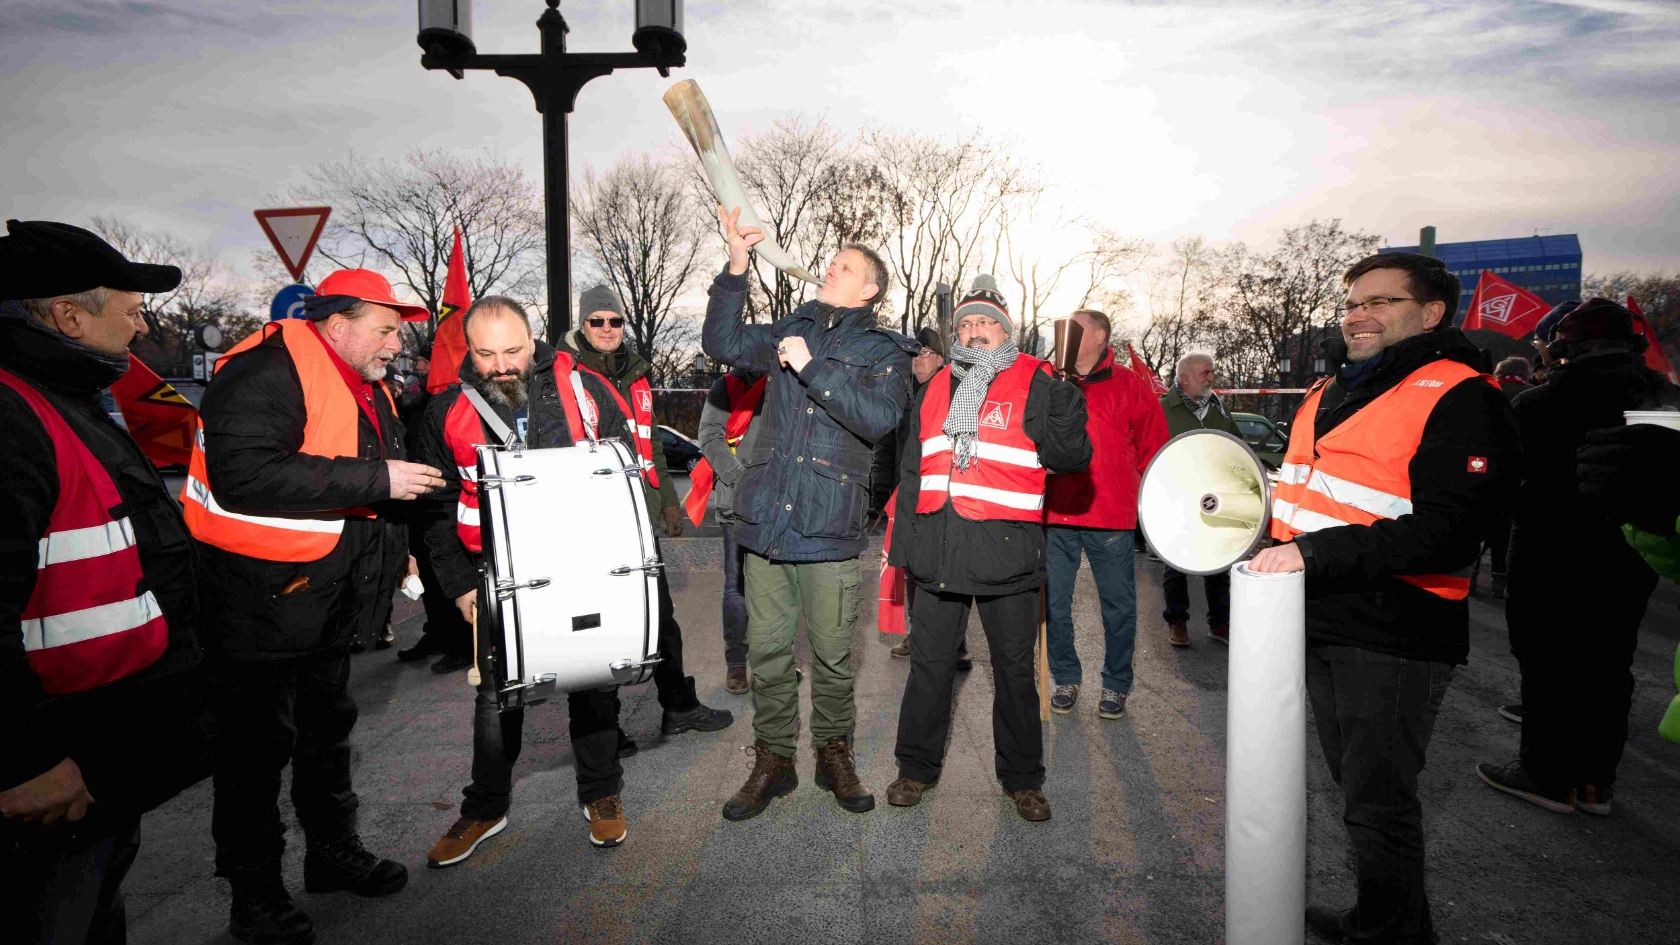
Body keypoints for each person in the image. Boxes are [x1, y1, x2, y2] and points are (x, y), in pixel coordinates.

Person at [1248, 251, 1521, 944]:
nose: (1357, 315)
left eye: (1379, 301)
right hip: (1317, 618)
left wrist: (1312, 554)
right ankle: (1384, 917)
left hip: (1395, 632)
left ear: (1430, 312)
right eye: (1352, 302)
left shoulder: (1461, 394)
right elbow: (1300, 498)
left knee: (1378, 803)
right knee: (1357, 790)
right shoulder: (1328, 391)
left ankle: (1393, 932)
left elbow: (1451, 530)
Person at [414, 297, 720, 860]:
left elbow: (626, 478)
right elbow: (432, 513)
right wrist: (459, 588)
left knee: (592, 682)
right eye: (486, 354)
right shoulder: (445, 412)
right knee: (495, 697)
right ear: (470, 352)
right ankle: (485, 807)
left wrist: (628, 566)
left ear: (532, 341)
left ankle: (601, 793)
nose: (501, 364)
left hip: (582, 564)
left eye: (512, 350)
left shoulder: (587, 390)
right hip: (494, 574)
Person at [186, 267, 440, 945]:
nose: (397, 341)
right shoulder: (263, 373)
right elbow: (246, 474)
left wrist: (395, 559)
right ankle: (255, 893)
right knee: (254, 753)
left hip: (324, 599)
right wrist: (377, 479)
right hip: (256, 602)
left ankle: (332, 855)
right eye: (385, 327)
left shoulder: (369, 384)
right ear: (337, 325)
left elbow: (376, 491)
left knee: (326, 736)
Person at [0, 220, 209, 945]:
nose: (143, 323)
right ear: (67, 315)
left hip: (97, 742)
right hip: (53, 767)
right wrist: (21, 757)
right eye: (130, 308)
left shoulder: (64, 395)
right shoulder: (12, 414)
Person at [703, 206, 915, 821]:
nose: (830, 267)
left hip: (830, 524)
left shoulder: (885, 352)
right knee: (768, 651)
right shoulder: (788, 329)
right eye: (831, 261)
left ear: (869, 289)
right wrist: (737, 267)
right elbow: (720, 342)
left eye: (845, 266)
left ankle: (833, 752)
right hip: (767, 521)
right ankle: (773, 758)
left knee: (831, 653)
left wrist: (812, 367)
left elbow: (879, 420)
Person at [885, 285, 1091, 821]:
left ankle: (1024, 780)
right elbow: (912, 471)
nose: (973, 331)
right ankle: (914, 769)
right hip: (938, 555)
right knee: (929, 670)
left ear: (1006, 330)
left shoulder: (1037, 379)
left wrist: (1069, 402)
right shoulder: (935, 387)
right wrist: (906, 547)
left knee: (1015, 674)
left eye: (986, 323)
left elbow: (1070, 458)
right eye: (965, 325)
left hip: (1007, 556)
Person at [1479, 299, 1680, 816]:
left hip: (1549, 548)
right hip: (1631, 553)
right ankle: (1594, 783)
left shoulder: (1539, 404)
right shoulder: (1666, 400)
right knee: (1611, 661)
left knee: (1546, 660)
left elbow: (1506, 484)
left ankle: (1545, 774)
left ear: (1566, 345)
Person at [559, 284, 735, 740]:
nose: (607, 328)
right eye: (597, 321)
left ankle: (678, 707)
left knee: (659, 615)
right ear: (582, 324)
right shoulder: (562, 374)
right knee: (599, 627)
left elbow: (650, 445)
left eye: (614, 321)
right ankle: (606, 728)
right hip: (587, 523)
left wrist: (669, 504)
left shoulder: (636, 374)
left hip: (635, 517)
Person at [1042, 308, 1168, 720]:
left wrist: (1151, 507)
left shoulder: (1129, 384)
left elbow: (1155, 448)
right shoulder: (1046, 377)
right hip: (1055, 514)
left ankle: (1116, 685)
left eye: (1076, 326)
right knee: (1053, 605)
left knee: (1117, 606)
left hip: (1109, 516)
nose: (1067, 332)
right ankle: (1065, 676)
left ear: (1099, 335)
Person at [884, 313, 964, 666]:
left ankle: (956, 644)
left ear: (942, 358)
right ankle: (917, 635)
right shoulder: (900, 394)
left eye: (926, 353)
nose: (919, 360)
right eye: (914, 353)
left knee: (947, 570)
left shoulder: (956, 392)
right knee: (912, 567)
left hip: (943, 496)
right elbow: (888, 446)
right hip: (906, 494)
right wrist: (880, 491)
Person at [397, 339, 475, 674]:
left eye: (424, 362)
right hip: (413, 501)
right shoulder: (414, 403)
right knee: (427, 576)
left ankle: (461, 644)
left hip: (438, 501)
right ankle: (436, 634)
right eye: (416, 362)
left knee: (447, 575)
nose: (418, 367)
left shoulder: (448, 404)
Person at [696, 365, 769, 694]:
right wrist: (742, 481)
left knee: (778, 588)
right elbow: (709, 436)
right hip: (737, 501)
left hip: (778, 502)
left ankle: (773, 663)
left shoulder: (790, 379)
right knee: (736, 586)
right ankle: (737, 665)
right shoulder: (725, 386)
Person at [1157, 350, 1237, 646]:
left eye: (1211, 372)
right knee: (1175, 563)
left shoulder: (1219, 410)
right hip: (1176, 498)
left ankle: (1220, 623)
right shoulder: (1162, 409)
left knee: (1218, 564)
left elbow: (1237, 446)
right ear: (1185, 377)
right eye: (1205, 373)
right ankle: (1177, 622)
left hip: (1215, 498)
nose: (1211, 378)